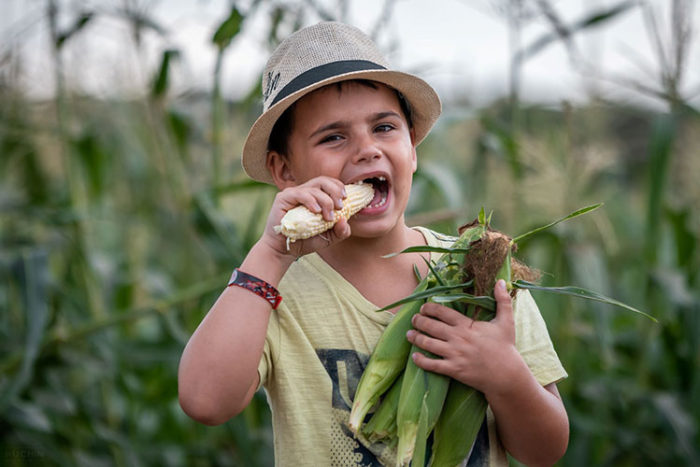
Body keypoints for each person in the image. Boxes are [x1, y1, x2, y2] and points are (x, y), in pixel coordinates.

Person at [178, 21, 569, 466]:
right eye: (334, 137)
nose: (367, 150)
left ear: (414, 150)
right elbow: (205, 401)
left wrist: (505, 374)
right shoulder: (272, 292)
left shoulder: (480, 273)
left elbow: (546, 450)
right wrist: (270, 255)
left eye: (384, 128)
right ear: (284, 171)